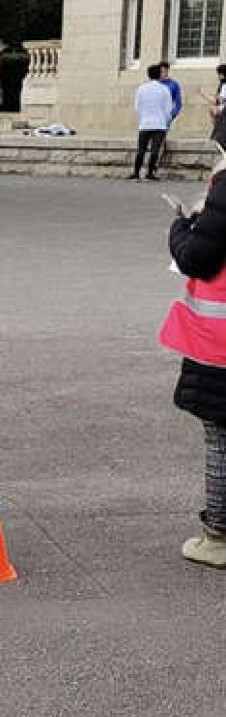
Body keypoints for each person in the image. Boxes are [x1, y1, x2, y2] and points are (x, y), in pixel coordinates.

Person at [159, 158, 226, 565]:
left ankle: (217, 536)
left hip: (220, 343)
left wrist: (183, 225)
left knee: (220, 436)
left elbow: (197, 257)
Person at [129, 63, 173, 179]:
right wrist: (165, 120)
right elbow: (168, 109)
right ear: (159, 75)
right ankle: (150, 173)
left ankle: (136, 172)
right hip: (160, 124)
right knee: (155, 150)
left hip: (145, 123)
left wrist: (144, 116)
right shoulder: (164, 89)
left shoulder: (141, 88)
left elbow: (137, 107)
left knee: (141, 150)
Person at [199, 62, 226, 150]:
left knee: (212, 109)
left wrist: (204, 94)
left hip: (223, 116)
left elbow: (218, 101)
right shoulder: (222, 86)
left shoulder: (224, 86)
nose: (218, 77)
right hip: (221, 116)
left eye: (219, 74)